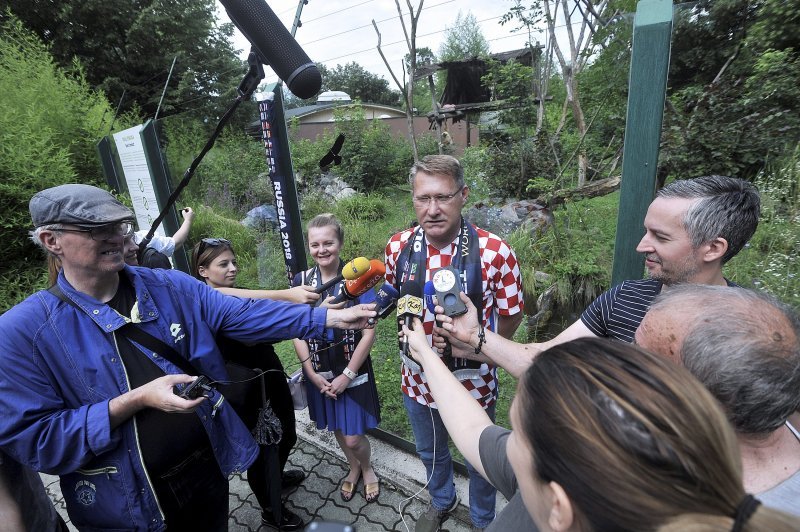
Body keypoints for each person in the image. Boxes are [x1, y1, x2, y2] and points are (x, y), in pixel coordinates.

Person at [0, 184, 375, 531]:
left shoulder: (169, 285)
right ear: (52, 240)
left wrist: (326, 317)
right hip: (125, 505)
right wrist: (135, 400)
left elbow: (240, 315)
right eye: (98, 230)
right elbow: (37, 440)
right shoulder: (23, 333)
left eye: (121, 226)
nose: (118, 238)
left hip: (206, 469)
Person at [401, 325, 800, 532]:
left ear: (559, 509)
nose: (507, 443)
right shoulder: (582, 478)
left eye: (518, 435)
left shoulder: (544, 497)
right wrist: (424, 352)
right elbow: (474, 432)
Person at [435, 174, 760, 378]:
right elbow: (544, 359)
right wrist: (474, 335)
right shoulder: (624, 298)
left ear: (713, 248)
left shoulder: (754, 330)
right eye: (646, 231)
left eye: (660, 237)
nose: (640, 246)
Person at [384, 155, 524, 531]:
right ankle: (441, 501)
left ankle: (482, 520)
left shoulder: (496, 252)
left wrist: (485, 349)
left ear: (463, 195)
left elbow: (511, 312)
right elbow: (398, 297)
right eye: (422, 199)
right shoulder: (398, 246)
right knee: (430, 451)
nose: (432, 210)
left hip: (473, 383)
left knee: (482, 459)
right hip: (417, 381)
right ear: (412, 199)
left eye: (443, 198)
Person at [634, 285, 800, 516]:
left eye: (642, 358)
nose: (624, 360)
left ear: (706, 402)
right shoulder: (785, 420)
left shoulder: (678, 513)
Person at [192, 237, 317, 530]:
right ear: (202, 271)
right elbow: (252, 328)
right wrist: (290, 299)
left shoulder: (235, 293)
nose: (233, 268)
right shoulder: (206, 302)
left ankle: (277, 478)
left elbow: (255, 303)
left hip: (267, 379)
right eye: (223, 264)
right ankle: (271, 510)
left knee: (285, 437)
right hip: (246, 391)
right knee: (265, 449)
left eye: (234, 261)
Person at [292, 214, 382, 504]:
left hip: (350, 369)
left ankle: (367, 468)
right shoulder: (302, 282)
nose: (322, 250)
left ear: (340, 243)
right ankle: (353, 466)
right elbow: (295, 329)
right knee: (338, 428)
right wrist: (309, 372)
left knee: (354, 436)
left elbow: (369, 332)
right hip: (319, 372)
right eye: (315, 244)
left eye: (328, 242)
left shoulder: (361, 280)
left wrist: (348, 375)